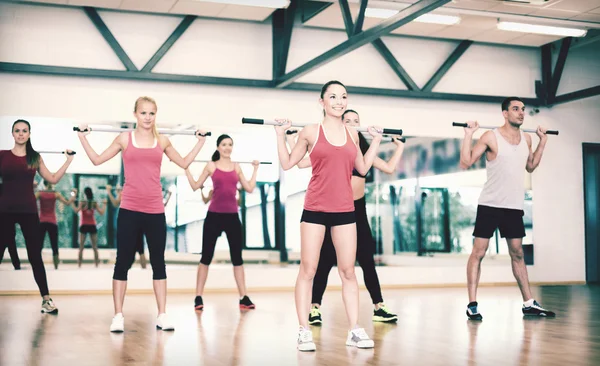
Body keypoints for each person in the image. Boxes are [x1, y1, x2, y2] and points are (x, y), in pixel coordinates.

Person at [77, 96, 207, 332]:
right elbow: (96, 160)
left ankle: (162, 315)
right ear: (135, 114)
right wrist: (82, 137)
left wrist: (200, 142)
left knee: (159, 263)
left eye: (152, 113)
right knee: (122, 263)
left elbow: (185, 162)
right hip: (129, 209)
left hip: (155, 210)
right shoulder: (125, 139)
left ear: (156, 115)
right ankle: (118, 316)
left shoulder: (163, 140)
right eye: (144, 113)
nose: (148, 117)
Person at [275, 80, 383, 352]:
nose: (339, 101)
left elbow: (361, 167)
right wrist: (280, 135)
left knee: (348, 271)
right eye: (333, 96)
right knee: (308, 269)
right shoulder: (312, 132)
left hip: (345, 211)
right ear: (321, 102)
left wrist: (378, 141)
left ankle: (355, 330)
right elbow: (290, 163)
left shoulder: (352, 134)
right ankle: (303, 330)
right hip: (315, 210)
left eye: (343, 96)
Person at [286, 109, 405, 325]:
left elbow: (388, 167)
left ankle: (379, 306)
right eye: (347, 121)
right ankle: (315, 307)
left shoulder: (361, 151)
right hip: (332, 209)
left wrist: (400, 146)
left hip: (357, 211)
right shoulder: (332, 149)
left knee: (366, 261)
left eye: (355, 122)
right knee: (324, 261)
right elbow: (301, 161)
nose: (351, 124)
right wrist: (291, 139)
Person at [460, 96, 555, 320]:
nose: (521, 113)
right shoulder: (490, 136)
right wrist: (468, 135)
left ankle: (529, 303)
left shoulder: (527, 139)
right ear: (505, 113)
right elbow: (466, 162)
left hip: (513, 206)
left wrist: (542, 142)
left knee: (518, 253)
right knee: (479, 253)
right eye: (515, 109)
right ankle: (472, 304)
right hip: (490, 204)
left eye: (523, 109)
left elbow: (530, 166)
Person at [0, 119, 74, 313]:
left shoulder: (35, 158)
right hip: (4, 211)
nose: (21, 134)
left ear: (29, 134)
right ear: (12, 134)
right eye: (17, 131)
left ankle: (46, 299)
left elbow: (53, 179)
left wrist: (68, 161)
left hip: (28, 211)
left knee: (35, 256)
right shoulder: (2, 156)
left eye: (24, 131)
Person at [185, 134, 259, 311]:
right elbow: (196, 186)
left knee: (237, 259)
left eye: (230, 144)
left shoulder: (237, 167)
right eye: (224, 144)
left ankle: (243, 297)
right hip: (214, 217)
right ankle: (198, 297)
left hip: (232, 217)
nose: (227, 147)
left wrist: (255, 169)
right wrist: (186, 169)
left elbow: (249, 188)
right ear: (218, 147)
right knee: (206, 258)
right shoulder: (211, 166)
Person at [36, 180, 77, 269]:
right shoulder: (54, 194)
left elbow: (30, 200)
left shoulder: (41, 193)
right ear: (49, 183)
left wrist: (73, 195)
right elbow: (68, 202)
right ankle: (55, 266)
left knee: (44, 245)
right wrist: (73, 195)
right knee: (50, 245)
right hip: (48, 222)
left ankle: (52, 267)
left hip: (46, 222)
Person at [106, 184, 147, 269]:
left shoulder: (125, 194)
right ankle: (143, 270)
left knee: (129, 248)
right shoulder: (137, 195)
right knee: (140, 250)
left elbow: (115, 203)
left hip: (130, 224)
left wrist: (109, 192)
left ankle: (126, 269)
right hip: (140, 223)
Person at [70, 187, 106, 268]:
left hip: (85, 225)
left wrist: (71, 202)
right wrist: (104, 204)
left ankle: (79, 265)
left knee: (81, 247)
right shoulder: (93, 202)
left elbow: (76, 210)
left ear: (85, 194)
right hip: (91, 225)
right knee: (94, 247)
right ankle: (96, 265)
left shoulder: (83, 202)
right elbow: (102, 212)